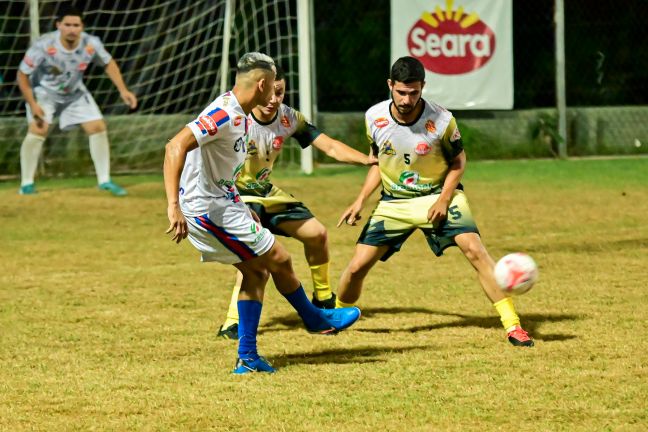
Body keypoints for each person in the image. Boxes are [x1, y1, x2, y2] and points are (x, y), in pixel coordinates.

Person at [163, 52, 361, 374]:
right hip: (207, 211)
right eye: (274, 87)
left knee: (257, 272)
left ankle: (248, 358)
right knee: (279, 259)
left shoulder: (239, 111)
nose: (276, 95)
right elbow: (175, 146)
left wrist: (242, 207)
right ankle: (315, 318)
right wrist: (173, 206)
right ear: (262, 84)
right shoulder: (224, 114)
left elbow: (219, 172)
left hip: (225, 204)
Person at [336, 56, 534, 347]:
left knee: (474, 249)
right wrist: (360, 200)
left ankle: (513, 326)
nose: (406, 99)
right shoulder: (374, 117)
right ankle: (336, 316)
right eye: (401, 92)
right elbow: (380, 161)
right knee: (355, 269)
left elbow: (458, 161)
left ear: (423, 87)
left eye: (414, 92)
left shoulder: (441, 120)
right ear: (390, 85)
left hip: (439, 194)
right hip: (395, 202)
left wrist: (443, 199)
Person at [216, 65, 375, 339]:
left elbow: (331, 146)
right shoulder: (232, 115)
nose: (274, 100)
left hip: (265, 192)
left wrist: (367, 159)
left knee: (317, 234)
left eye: (281, 92)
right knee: (254, 259)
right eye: (270, 92)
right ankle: (232, 322)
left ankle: (323, 300)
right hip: (235, 196)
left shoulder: (289, 118)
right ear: (258, 87)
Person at [16, 5, 137, 196]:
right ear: (59, 26)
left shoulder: (91, 43)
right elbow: (22, 75)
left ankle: (104, 180)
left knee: (97, 126)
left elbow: (108, 63)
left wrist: (123, 90)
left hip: (74, 93)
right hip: (44, 92)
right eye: (67, 25)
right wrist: (33, 104)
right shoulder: (43, 45)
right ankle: (26, 184)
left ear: (82, 27)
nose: (72, 29)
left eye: (76, 25)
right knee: (39, 129)